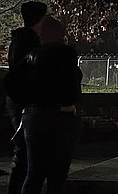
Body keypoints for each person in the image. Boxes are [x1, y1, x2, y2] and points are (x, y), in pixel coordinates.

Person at [18, 16, 82, 194]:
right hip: (61, 117)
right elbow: (72, 88)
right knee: (57, 174)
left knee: (34, 172)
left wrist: (28, 104)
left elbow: (12, 82)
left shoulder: (31, 57)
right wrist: (66, 104)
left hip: (34, 116)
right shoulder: (66, 56)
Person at [5, 1, 48, 194]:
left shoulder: (21, 41)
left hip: (20, 103)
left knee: (24, 153)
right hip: (25, 104)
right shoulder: (29, 44)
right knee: (27, 154)